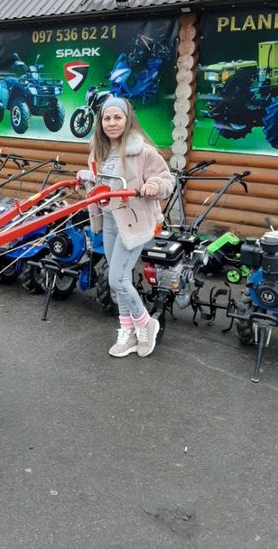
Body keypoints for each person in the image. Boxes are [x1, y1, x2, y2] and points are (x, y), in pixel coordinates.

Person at [79, 96, 174, 358]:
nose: (112, 123)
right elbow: (101, 186)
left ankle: (146, 324)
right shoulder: (98, 152)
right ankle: (127, 330)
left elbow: (166, 179)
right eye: (107, 118)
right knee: (120, 279)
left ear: (127, 119)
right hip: (110, 220)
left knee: (117, 279)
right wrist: (86, 180)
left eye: (117, 117)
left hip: (135, 221)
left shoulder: (141, 150)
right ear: (100, 122)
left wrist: (154, 186)